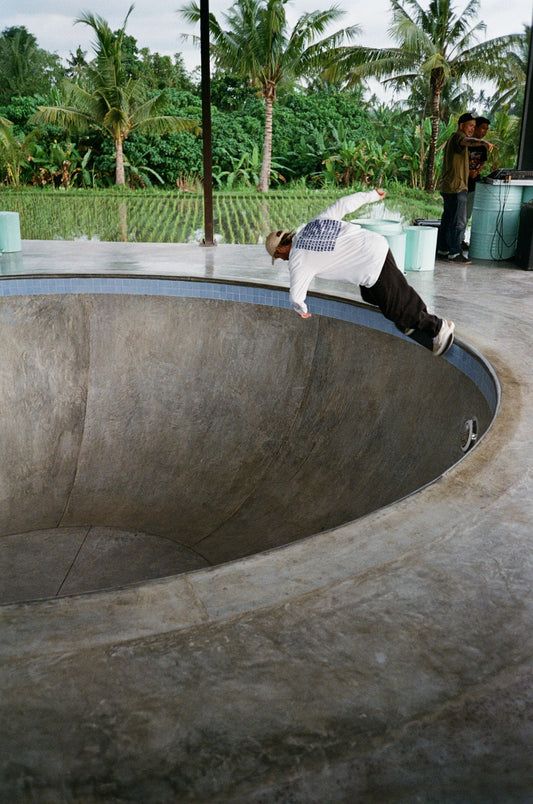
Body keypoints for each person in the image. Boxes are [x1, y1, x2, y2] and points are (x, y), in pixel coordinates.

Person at [265, 188, 455, 357]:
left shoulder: (298, 258)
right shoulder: (311, 225)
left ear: (280, 250)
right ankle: (409, 314)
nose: (281, 260)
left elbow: (296, 295)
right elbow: (344, 204)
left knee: (394, 307)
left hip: (371, 262)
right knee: (371, 294)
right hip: (376, 244)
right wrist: (372, 195)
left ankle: (438, 328)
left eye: (278, 257)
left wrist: (301, 310)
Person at [436, 112, 496, 265]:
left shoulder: (455, 139)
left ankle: (443, 250)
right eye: (471, 126)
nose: (472, 129)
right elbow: (466, 140)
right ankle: (455, 253)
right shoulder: (458, 137)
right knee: (459, 221)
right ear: (462, 125)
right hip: (456, 187)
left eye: (474, 127)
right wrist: (482, 142)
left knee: (448, 219)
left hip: (450, 186)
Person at [464, 116, 491, 246]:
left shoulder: (482, 147)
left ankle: (460, 240)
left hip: (473, 184)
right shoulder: (465, 142)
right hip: (461, 183)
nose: (484, 132)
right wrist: (468, 171)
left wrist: (477, 171)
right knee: (457, 216)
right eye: (482, 128)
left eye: (486, 129)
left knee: (467, 215)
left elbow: (483, 163)